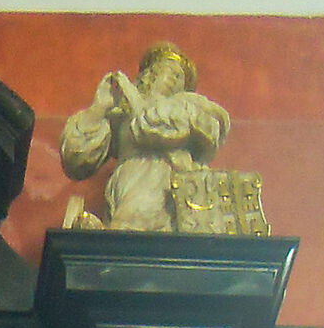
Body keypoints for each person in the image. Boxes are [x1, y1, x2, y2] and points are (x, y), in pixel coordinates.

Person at [59, 43, 229, 232]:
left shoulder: (189, 106)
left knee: (136, 218)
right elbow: (76, 158)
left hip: (165, 181)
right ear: (150, 75)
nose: (174, 79)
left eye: (179, 76)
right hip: (126, 181)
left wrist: (133, 97)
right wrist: (99, 108)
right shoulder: (121, 111)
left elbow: (153, 125)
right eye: (169, 71)